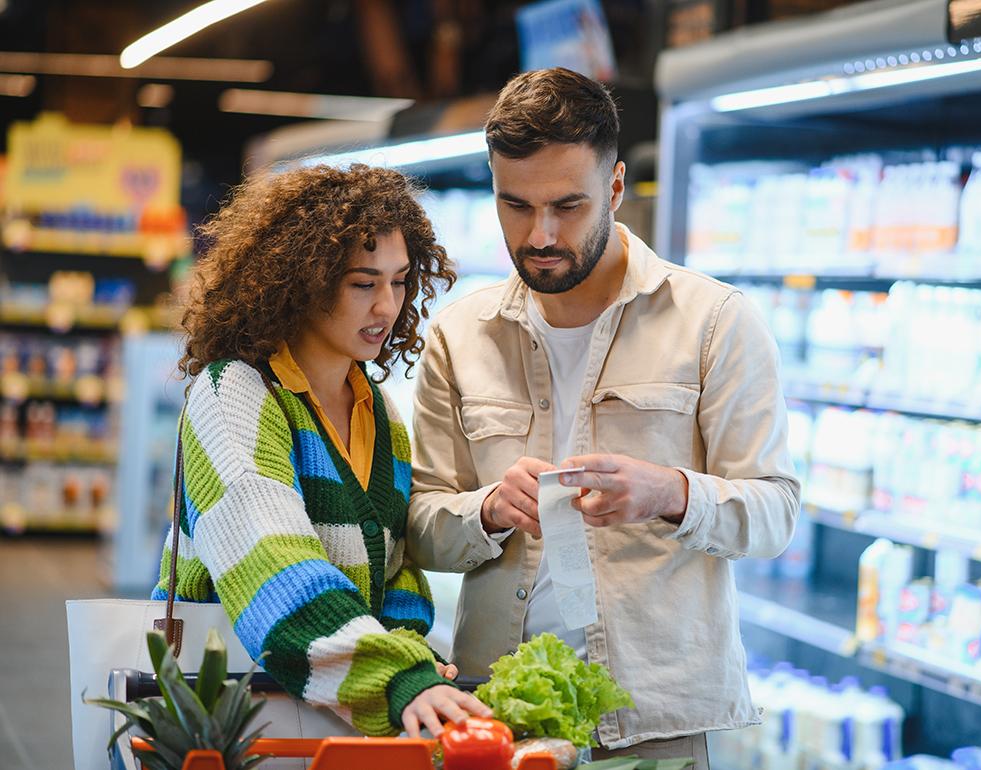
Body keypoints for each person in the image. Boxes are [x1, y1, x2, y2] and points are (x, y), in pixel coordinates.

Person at [406, 68, 800, 763]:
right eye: (516, 207)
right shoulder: (458, 335)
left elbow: (774, 514)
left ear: (615, 188)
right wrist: (491, 510)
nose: (541, 234)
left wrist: (670, 492)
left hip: (657, 718)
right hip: (493, 711)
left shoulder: (714, 322)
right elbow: (422, 528)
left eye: (567, 205)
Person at [152, 163, 491, 738]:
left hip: (334, 723)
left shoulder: (381, 413)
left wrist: (414, 656)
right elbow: (270, 564)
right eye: (364, 283)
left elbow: (395, 570)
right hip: (237, 720)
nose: (388, 306)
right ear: (301, 281)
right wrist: (395, 677)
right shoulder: (232, 393)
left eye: (401, 280)